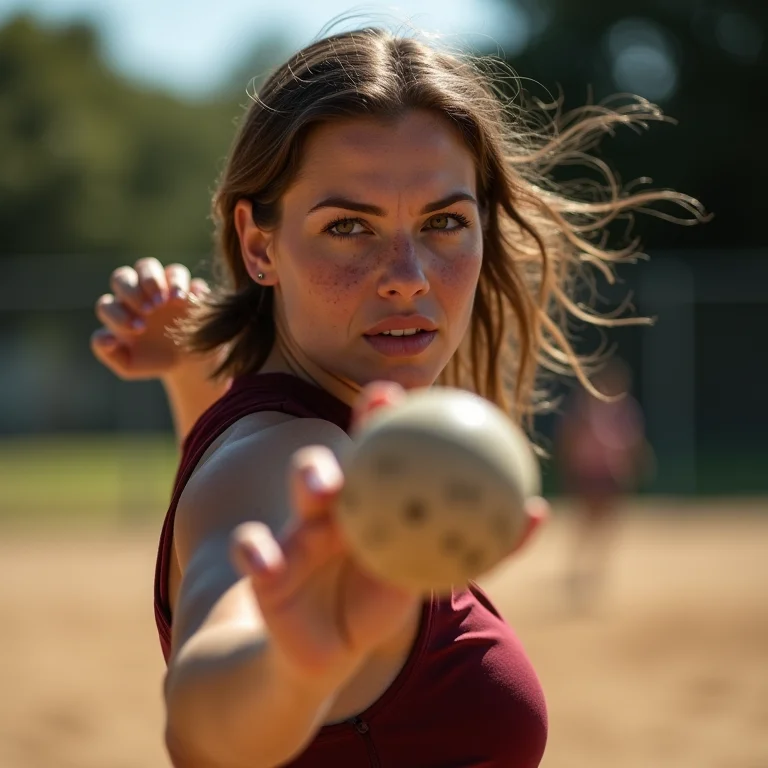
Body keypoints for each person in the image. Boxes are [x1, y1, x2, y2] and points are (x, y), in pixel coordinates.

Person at [90, 26, 704, 768]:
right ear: (258, 245)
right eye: (349, 226)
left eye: (445, 222)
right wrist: (290, 668)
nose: (408, 276)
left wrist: (191, 372)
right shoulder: (296, 458)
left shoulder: (274, 429)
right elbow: (206, 714)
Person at [555, 359, 654, 611]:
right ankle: (578, 568)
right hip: (589, 473)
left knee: (608, 524)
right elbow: (570, 438)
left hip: (611, 474)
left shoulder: (626, 408)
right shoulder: (585, 408)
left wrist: (637, 463)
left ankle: (596, 569)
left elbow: (633, 441)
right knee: (586, 523)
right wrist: (570, 469)